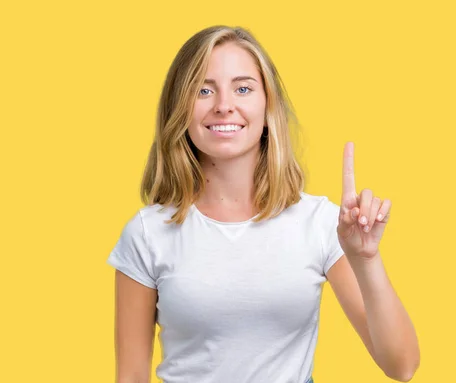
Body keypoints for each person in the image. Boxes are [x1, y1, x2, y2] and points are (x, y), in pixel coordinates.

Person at [106, 25, 420, 383]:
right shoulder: (147, 234)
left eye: (243, 88)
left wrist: (366, 259)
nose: (224, 106)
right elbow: (131, 376)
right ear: (180, 106)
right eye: (204, 90)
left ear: (268, 104)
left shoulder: (320, 223)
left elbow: (402, 366)